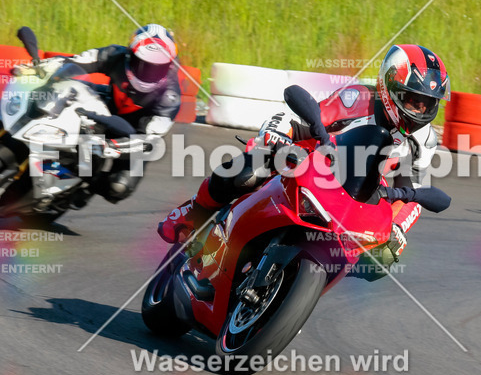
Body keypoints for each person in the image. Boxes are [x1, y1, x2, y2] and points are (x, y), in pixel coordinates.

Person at [158, 44, 451, 265]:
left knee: (379, 260)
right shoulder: (359, 99)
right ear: (390, 88)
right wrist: (276, 137)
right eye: (414, 100)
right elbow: (299, 119)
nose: (421, 111)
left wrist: (398, 228)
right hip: (307, 161)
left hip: (353, 196)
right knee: (252, 170)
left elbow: (412, 193)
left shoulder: (424, 140)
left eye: (428, 104)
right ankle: (195, 213)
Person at [15, 23, 181, 203]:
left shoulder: (170, 97)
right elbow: (76, 61)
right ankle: (29, 140)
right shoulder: (114, 55)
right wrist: (46, 67)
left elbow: (149, 141)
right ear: (130, 54)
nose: (148, 73)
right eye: (142, 64)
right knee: (60, 91)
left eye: (157, 67)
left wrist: (110, 146)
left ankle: (83, 188)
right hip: (107, 103)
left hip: (134, 134)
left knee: (118, 187)